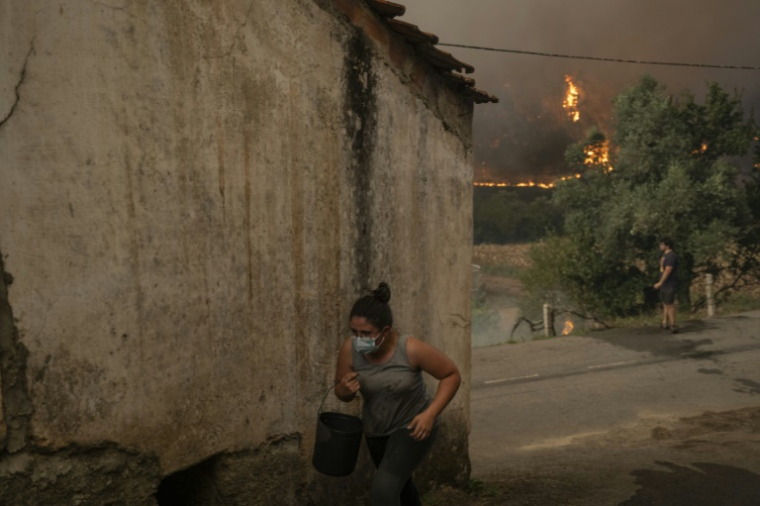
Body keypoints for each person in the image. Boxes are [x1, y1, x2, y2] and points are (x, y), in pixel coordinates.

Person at [334, 282, 461, 506]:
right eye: (354, 332)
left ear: (385, 331)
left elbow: (451, 375)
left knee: (384, 490)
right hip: (376, 430)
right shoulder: (349, 350)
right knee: (400, 489)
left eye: (366, 333)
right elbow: (341, 391)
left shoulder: (410, 349)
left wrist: (430, 414)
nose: (358, 339)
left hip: (413, 426)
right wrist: (344, 391)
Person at [654, 238, 678, 333]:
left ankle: (673, 324)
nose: (660, 246)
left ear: (667, 246)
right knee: (665, 303)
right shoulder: (665, 255)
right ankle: (664, 322)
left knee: (669, 304)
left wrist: (660, 282)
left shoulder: (671, 256)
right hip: (664, 284)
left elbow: (668, 270)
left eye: (662, 245)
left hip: (669, 283)